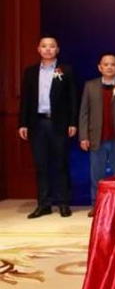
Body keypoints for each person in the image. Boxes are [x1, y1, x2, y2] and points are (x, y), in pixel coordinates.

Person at [18, 36, 78, 219]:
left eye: (52, 46)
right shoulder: (30, 72)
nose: (48, 49)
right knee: (41, 165)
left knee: (61, 164)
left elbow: (73, 98)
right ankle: (43, 204)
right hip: (37, 124)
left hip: (58, 123)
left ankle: (63, 203)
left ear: (57, 49)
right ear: (38, 49)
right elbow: (26, 100)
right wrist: (22, 123)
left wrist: (73, 122)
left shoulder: (66, 70)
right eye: (44, 46)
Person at [79, 53, 115, 206]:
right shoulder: (90, 85)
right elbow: (84, 113)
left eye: (113, 64)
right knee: (96, 175)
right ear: (100, 67)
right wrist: (83, 136)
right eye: (106, 64)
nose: (109, 67)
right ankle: (96, 204)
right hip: (96, 138)